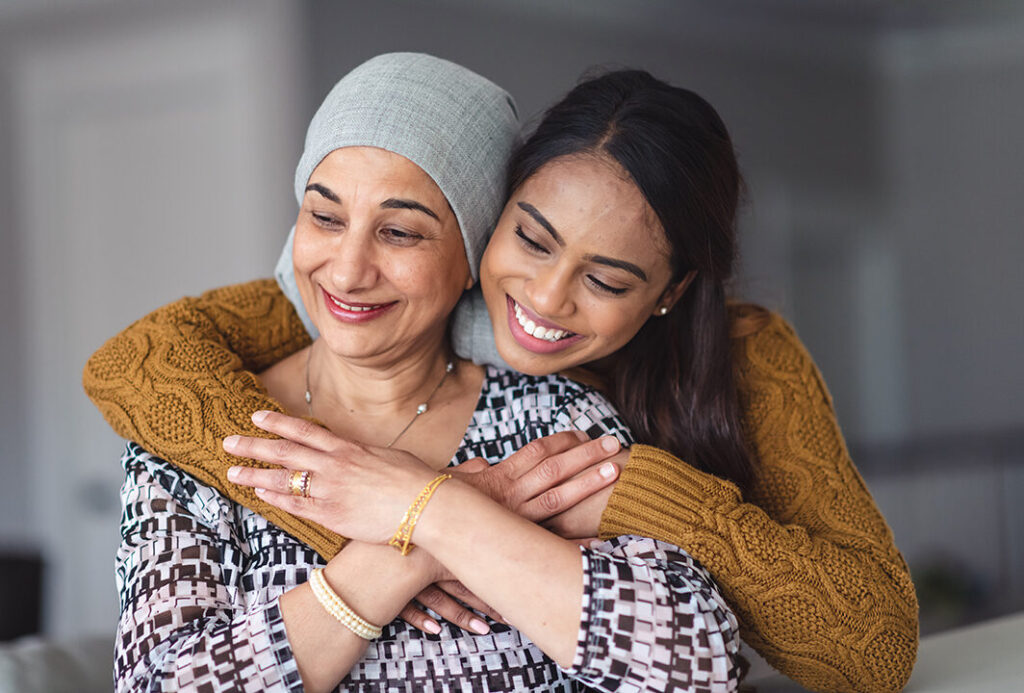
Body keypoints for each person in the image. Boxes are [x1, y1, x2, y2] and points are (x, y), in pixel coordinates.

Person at [84, 63, 919, 692]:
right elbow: (139, 363)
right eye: (324, 211)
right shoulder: (212, 405)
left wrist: (438, 508)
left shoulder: (574, 411)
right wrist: (396, 553)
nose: (545, 298)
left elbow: (720, 660)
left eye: (607, 278)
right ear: (497, 234)